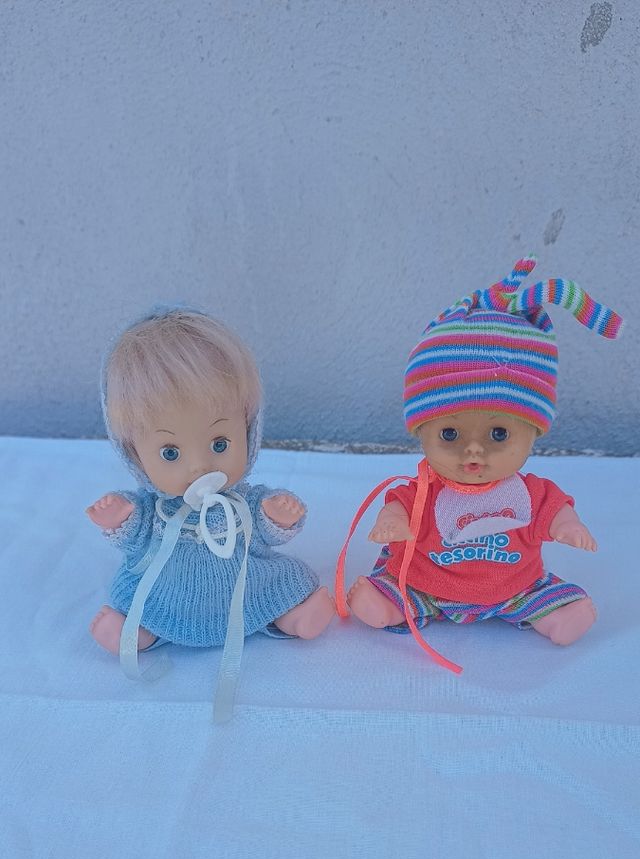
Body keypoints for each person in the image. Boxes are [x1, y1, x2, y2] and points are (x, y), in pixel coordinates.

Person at [340, 256, 622, 663]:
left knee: (545, 594)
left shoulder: (530, 493)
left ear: (534, 432)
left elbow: (554, 509)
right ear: (421, 432)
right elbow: (400, 502)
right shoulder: (426, 492)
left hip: (515, 587)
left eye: (498, 434)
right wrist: (393, 522)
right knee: (397, 585)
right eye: (449, 434)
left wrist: (567, 526)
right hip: (427, 582)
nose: (474, 450)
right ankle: (393, 603)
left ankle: (555, 614)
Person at [87, 308, 335, 663]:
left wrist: (276, 515)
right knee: (146, 600)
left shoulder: (241, 504)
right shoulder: (155, 511)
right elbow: (136, 538)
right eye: (170, 452)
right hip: (171, 589)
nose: (199, 465)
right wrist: (119, 518)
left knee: (279, 586)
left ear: (247, 429)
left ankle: (289, 617)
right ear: (134, 454)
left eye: (219, 444)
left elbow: (262, 532)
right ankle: (141, 633)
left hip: (245, 585)